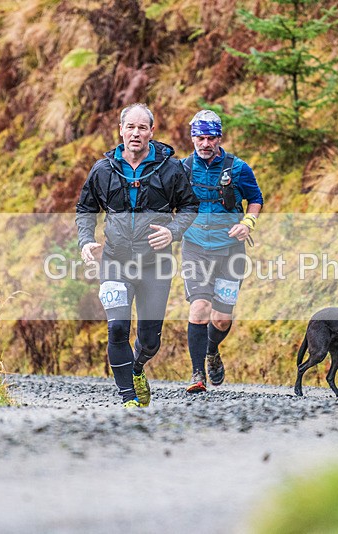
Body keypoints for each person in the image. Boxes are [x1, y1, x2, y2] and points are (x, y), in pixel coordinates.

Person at [76, 103, 199, 408]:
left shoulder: (171, 169)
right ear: (121, 130)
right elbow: (86, 209)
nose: (135, 133)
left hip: (155, 265)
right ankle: (128, 398)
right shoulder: (103, 169)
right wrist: (86, 241)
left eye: (142, 128)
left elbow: (189, 206)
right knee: (117, 327)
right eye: (130, 127)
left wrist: (173, 232)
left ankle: (137, 367)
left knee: (150, 339)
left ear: (151, 132)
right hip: (115, 262)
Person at [180, 110, 264, 393]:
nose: (205, 144)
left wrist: (247, 223)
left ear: (219, 138)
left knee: (221, 318)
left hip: (230, 251)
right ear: (192, 138)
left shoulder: (238, 168)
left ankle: (211, 350)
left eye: (211, 138)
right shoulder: (182, 169)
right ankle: (197, 374)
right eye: (200, 138)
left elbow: (255, 199)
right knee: (199, 308)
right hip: (195, 248)